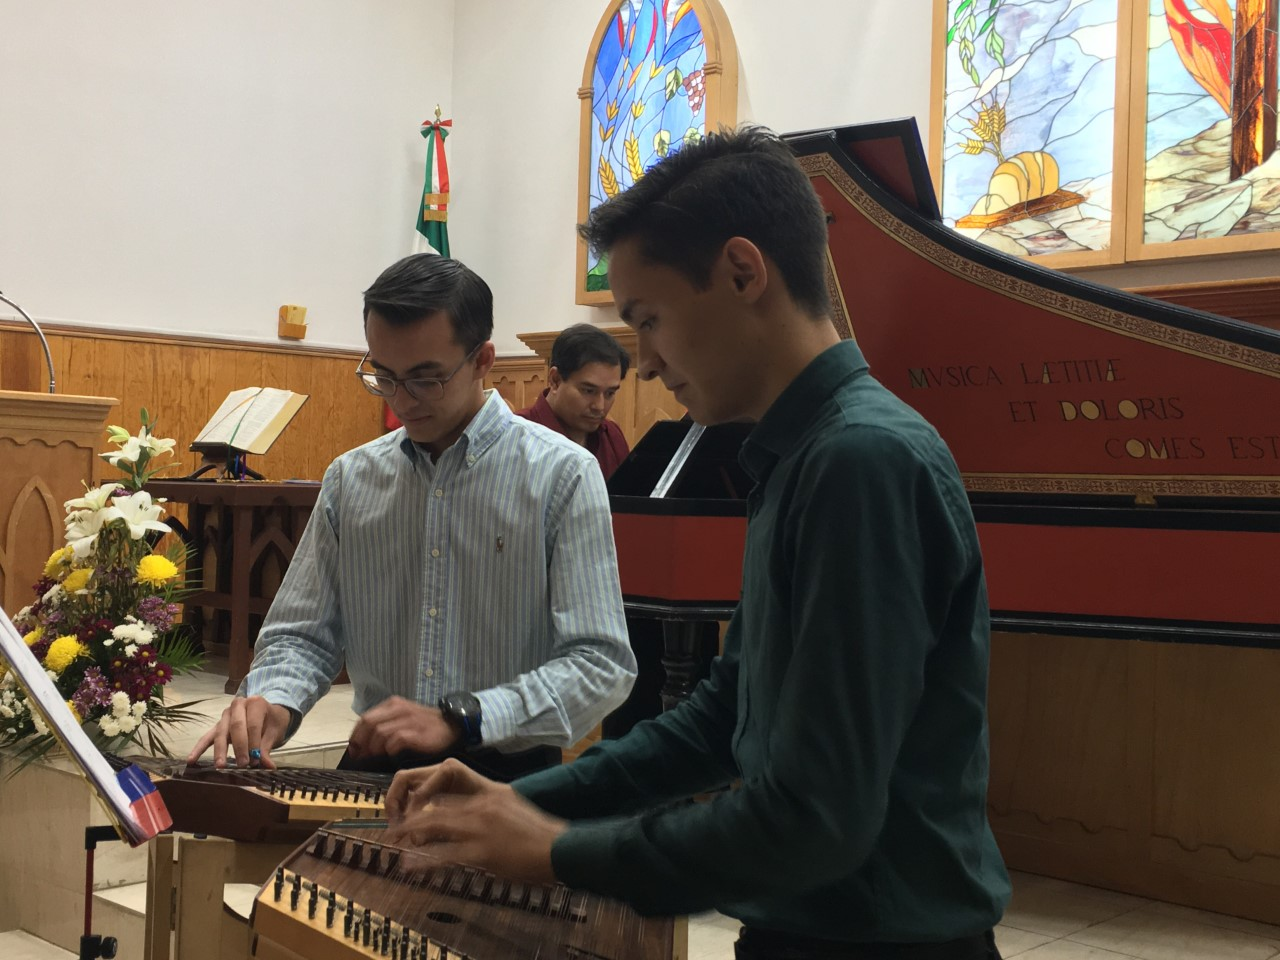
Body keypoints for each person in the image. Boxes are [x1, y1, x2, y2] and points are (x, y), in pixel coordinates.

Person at [383, 126, 1011, 957]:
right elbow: (723, 716)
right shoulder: (804, 453)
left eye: (648, 318)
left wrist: (558, 852)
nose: (643, 363)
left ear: (743, 273)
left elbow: (815, 821)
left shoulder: (860, 461)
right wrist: (534, 799)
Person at [187, 254, 636, 782]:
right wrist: (276, 700)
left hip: (507, 771)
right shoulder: (352, 478)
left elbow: (599, 662)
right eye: (384, 376)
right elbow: (302, 635)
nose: (402, 401)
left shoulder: (562, 475)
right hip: (376, 767)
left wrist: (464, 717)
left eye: (425, 379)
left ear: (483, 359)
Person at [516, 323, 631, 480]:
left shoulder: (612, 436)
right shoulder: (516, 436)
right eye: (588, 391)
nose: (600, 406)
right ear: (555, 380)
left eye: (610, 393)